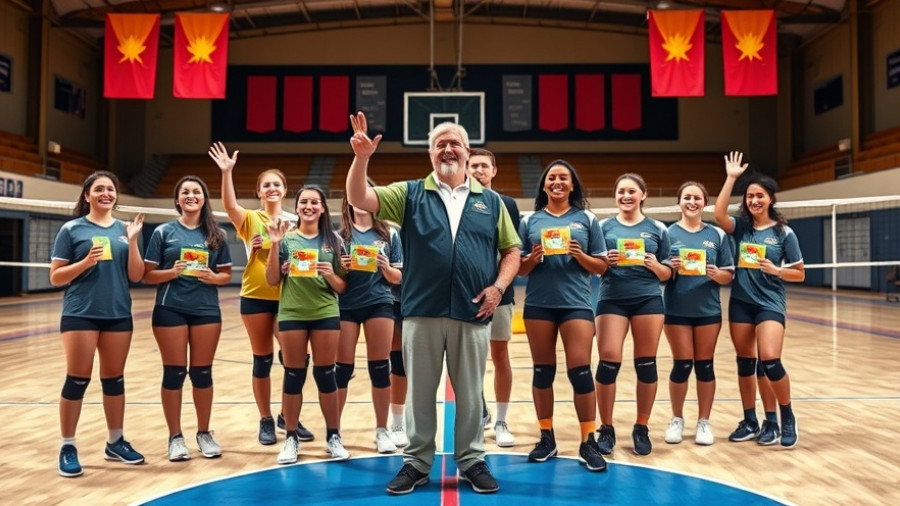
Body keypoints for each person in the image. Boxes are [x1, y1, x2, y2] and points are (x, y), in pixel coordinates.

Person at [347, 112, 520, 495]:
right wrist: (361, 159)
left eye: (454, 142)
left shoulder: (490, 201)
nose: (448, 148)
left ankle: (472, 460)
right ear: (429, 153)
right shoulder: (409, 193)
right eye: (440, 143)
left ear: (467, 150)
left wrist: (498, 287)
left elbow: (511, 251)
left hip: (473, 310)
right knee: (420, 393)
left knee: (472, 393)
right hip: (421, 311)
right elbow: (359, 197)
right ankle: (417, 462)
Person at [209, 143, 314, 444]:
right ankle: (266, 419)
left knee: (296, 360)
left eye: (276, 184)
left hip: (290, 299)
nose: (271, 188)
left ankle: (287, 415)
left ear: (285, 190)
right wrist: (227, 172)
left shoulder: (297, 222)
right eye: (265, 185)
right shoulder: (251, 219)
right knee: (262, 359)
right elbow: (229, 206)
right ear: (258, 192)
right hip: (255, 297)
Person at [50, 171, 145, 477]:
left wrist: (132, 242)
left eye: (111, 189)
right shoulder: (72, 229)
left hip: (118, 313)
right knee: (77, 378)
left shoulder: (124, 229)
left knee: (114, 380)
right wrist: (85, 263)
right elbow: (56, 277)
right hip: (81, 313)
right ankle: (67, 446)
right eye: (99, 189)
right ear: (87, 195)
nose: (106, 193)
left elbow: (136, 275)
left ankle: (115, 441)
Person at [518, 160, 608, 472]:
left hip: (577, 304)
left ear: (572, 185)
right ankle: (547, 437)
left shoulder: (587, 219)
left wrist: (580, 255)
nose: (557, 182)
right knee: (542, 372)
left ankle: (588, 440)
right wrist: (532, 258)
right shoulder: (530, 220)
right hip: (539, 304)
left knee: (580, 371)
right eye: (552, 178)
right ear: (543, 185)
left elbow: (602, 266)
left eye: (564, 178)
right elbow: (518, 267)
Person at [714, 151, 804, 448]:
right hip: (741, 302)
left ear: (770, 200)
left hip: (769, 304)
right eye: (750, 196)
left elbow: (799, 274)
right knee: (745, 362)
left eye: (760, 196)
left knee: (770, 359)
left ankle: (784, 416)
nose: (754, 200)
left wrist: (778, 270)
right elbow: (717, 214)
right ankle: (753, 420)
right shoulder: (741, 228)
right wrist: (731, 178)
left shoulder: (783, 233)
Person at [142, 176, 233, 461]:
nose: (191, 196)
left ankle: (204, 433)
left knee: (202, 373)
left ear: (204, 198)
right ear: (178, 199)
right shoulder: (163, 232)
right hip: (171, 308)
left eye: (197, 192)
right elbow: (146, 275)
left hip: (206, 310)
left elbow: (226, 275)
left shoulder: (217, 235)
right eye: (185, 192)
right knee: (174, 373)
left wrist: (213, 276)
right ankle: (175, 437)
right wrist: (172, 272)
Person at [266, 185, 350, 464]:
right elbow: (272, 280)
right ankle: (290, 438)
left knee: (326, 374)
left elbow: (342, 287)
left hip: (325, 311)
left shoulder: (335, 241)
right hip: (291, 312)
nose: (309, 206)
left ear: (323, 208)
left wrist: (329, 274)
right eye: (304, 202)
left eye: (315, 202)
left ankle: (333, 437)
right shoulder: (287, 240)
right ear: (298, 206)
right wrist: (276, 247)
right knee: (293, 375)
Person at [594, 173, 672, 456]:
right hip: (612, 298)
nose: (626, 196)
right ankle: (606, 427)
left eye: (632, 191)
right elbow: (594, 266)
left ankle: (642, 427)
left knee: (646, 364)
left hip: (648, 299)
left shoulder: (658, 229)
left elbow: (667, 273)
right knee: (608, 361)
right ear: (616, 196)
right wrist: (605, 261)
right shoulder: (602, 227)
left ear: (643, 194)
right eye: (621, 192)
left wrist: (654, 265)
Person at [662, 182, 734, 446]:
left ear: (705, 203)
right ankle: (677, 419)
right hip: (676, 310)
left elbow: (728, 274)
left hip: (707, 311)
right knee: (682, 365)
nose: (692, 202)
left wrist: (717, 273)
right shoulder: (667, 234)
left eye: (697, 198)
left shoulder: (717, 235)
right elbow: (659, 275)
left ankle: (704, 421)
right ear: (679, 202)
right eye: (686, 197)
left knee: (705, 365)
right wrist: (671, 269)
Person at [336, 193, 403, 453]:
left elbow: (397, 277)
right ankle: (335, 432)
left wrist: (385, 267)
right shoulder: (339, 237)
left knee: (379, 367)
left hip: (380, 303)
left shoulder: (390, 234)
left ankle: (382, 430)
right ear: (348, 202)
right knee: (342, 370)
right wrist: (341, 268)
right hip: (347, 306)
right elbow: (335, 281)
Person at [466, 148, 520, 447]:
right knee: (471, 360)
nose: (478, 171)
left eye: (484, 166)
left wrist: (499, 287)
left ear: (494, 171)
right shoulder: (458, 203)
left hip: (500, 293)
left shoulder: (507, 205)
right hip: (467, 295)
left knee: (500, 356)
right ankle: (480, 412)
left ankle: (501, 421)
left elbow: (511, 250)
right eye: (473, 166)